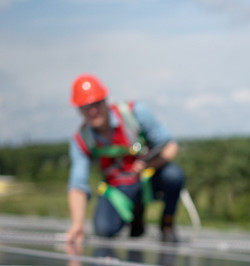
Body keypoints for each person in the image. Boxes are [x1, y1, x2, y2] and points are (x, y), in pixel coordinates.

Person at [64, 73, 185, 244]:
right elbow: (78, 184)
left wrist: (149, 164)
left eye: (96, 103)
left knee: (173, 176)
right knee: (104, 230)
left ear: (105, 100)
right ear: (79, 110)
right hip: (118, 189)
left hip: (147, 178)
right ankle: (136, 216)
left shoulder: (134, 113)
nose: (92, 111)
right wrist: (77, 224)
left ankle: (167, 224)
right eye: (86, 107)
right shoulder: (81, 140)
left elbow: (170, 146)